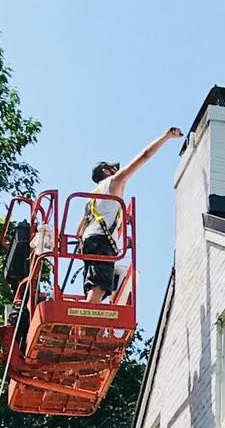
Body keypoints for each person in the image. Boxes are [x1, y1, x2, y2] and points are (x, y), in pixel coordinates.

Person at [77, 126, 184, 303]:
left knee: (94, 284)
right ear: (106, 172)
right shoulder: (114, 182)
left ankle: (84, 320)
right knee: (99, 286)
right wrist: (166, 137)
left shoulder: (93, 197)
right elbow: (144, 156)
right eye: (112, 168)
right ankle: (84, 321)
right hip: (101, 241)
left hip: (90, 242)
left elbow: (80, 229)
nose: (116, 171)